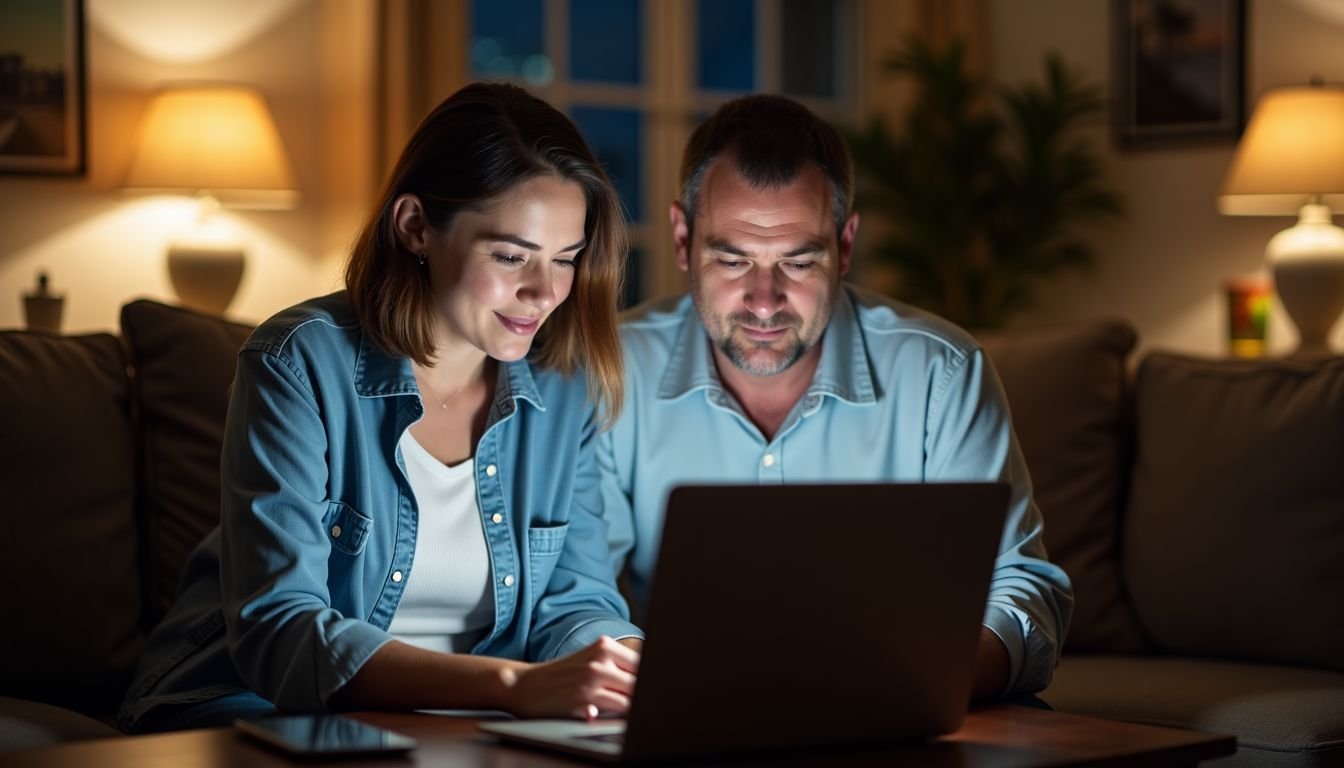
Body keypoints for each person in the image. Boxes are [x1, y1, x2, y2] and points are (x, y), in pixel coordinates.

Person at [118, 82, 642, 733]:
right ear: (416, 226)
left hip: (466, 721)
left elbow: (577, 603)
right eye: (511, 256)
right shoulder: (297, 361)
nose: (545, 291)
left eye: (565, 259)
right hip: (247, 702)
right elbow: (280, 631)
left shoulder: (567, 389)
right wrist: (513, 687)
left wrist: (628, 663)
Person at [598, 94, 1073, 700]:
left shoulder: (942, 374)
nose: (764, 300)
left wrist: (904, 687)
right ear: (683, 238)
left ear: (845, 245)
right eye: (733, 259)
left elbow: (1020, 586)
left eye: (798, 262)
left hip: (902, 712)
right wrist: (655, 683)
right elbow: (582, 591)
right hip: (682, 712)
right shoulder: (612, 372)